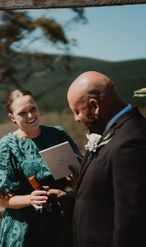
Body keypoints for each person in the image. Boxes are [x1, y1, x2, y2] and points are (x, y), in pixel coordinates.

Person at [0, 88, 81, 247]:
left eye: (33, 109)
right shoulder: (6, 147)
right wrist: (30, 199)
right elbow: (4, 200)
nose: (31, 116)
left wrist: (74, 180)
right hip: (24, 230)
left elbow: (80, 177)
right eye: (22, 113)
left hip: (61, 224)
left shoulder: (58, 134)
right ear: (12, 117)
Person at [67, 71, 146, 247]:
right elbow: (105, 195)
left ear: (94, 106)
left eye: (77, 111)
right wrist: (69, 197)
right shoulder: (107, 132)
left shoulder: (131, 141)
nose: (76, 119)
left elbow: (131, 220)